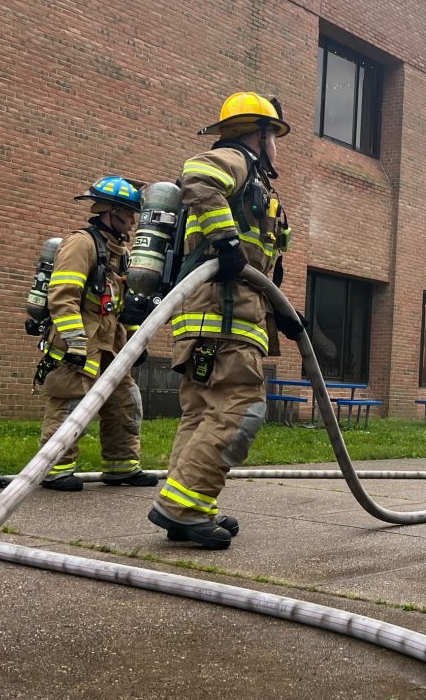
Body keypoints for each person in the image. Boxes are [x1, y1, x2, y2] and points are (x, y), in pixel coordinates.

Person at [147, 91, 302, 550]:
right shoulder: (235, 160)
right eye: (274, 135)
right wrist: (226, 240)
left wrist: (287, 315)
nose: (276, 146)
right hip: (225, 317)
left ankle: (185, 506)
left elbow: (260, 266)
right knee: (241, 409)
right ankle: (185, 505)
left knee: (201, 414)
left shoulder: (256, 188)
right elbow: (197, 176)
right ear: (260, 134)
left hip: (208, 316)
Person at [38, 176, 158, 491]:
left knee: (124, 402)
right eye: (128, 213)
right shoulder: (81, 243)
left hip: (112, 342)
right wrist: (75, 343)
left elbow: (124, 305)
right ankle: (54, 469)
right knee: (70, 402)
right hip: (80, 341)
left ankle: (122, 467)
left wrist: (135, 341)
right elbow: (63, 295)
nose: (133, 220)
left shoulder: (123, 251)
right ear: (109, 211)